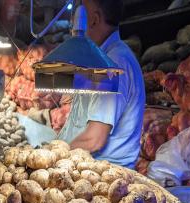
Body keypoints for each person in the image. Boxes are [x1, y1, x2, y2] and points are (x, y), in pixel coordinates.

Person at [58, 0, 145, 169]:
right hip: (87, 165)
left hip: (106, 175)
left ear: (93, 20)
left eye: (79, 11)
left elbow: (94, 139)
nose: (72, 25)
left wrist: (53, 156)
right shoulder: (101, 58)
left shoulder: (113, 62)